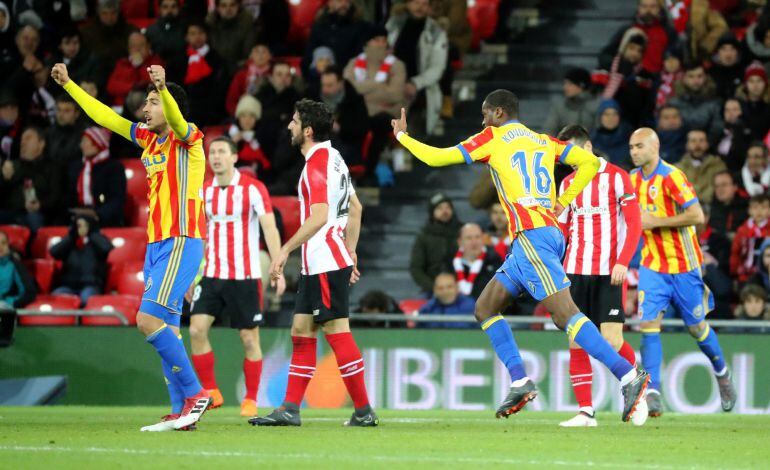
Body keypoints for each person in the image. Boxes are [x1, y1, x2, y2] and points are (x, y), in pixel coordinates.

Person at [393, 89, 649, 423]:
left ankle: (629, 376)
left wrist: (402, 137)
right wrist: (564, 201)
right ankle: (520, 380)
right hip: (540, 237)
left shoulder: (492, 138)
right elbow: (589, 163)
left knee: (565, 315)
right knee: (485, 307)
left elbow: (436, 158)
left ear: (499, 113)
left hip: (532, 238)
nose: (482, 119)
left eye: (485, 113)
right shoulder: (543, 140)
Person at [51, 62, 211, 431]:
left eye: (152, 102)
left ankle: (195, 394)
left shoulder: (190, 139)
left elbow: (176, 117)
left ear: (169, 106)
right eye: (147, 102)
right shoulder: (149, 139)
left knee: (146, 320)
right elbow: (106, 118)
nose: (145, 109)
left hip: (181, 239)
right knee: (167, 329)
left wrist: (164, 90)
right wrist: (71, 86)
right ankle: (180, 413)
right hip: (156, 244)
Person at [250, 99, 378, 427]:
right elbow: (357, 208)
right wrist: (350, 252)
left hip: (322, 260)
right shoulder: (335, 159)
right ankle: (290, 409)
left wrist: (284, 250)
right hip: (324, 260)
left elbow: (320, 215)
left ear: (307, 130)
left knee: (337, 331)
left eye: (294, 122)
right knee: (301, 330)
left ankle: (363, 411)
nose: (289, 127)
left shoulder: (318, 163)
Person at [629, 127, 736, 418]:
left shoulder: (672, 176)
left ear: (655, 146)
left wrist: (656, 222)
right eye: (631, 147)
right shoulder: (631, 181)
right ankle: (652, 392)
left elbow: (697, 215)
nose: (634, 151)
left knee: (697, 328)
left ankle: (722, 373)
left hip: (684, 266)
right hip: (652, 266)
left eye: (640, 146)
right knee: (648, 324)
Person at [189, 136, 285, 418]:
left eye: (221, 152)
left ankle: (251, 399)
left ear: (234, 157)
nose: (215, 157)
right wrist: (192, 275)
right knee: (195, 330)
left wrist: (277, 267)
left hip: (244, 276)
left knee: (249, 339)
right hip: (211, 274)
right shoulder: (204, 191)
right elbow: (199, 236)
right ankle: (211, 391)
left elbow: (269, 228)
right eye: (212, 153)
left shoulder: (253, 189)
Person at [554, 125, 642, 427]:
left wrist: (623, 262)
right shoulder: (567, 183)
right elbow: (562, 229)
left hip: (609, 271)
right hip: (575, 271)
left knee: (611, 340)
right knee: (576, 341)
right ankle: (586, 412)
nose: (571, 162)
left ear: (588, 146)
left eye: (574, 154)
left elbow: (634, 224)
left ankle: (639, 385)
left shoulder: (617, 177)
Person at [343, 24, 407, 181]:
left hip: (385, 115)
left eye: (384, 40)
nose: (381, 44)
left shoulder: (397, 65)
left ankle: (368, 173)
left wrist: (362, 91)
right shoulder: (353, 64)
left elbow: (395, 95)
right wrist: (378, 85)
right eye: (376, 40)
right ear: (366, 43)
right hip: (358, 115)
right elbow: (348, 90)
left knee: (379, 125)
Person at [387, 0, 448, 136]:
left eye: (424, 3)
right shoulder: (393, 25)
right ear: (407, 4)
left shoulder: (436, 32)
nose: (420, 7)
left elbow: (437, 68)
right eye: (416, 2)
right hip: (390, 82)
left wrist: (415, 83)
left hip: (420, 87)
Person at [0, 126, 61, 232]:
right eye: (22, 139)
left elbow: (56, 197)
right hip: (11, 211)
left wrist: (40, 205)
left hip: (37, 213)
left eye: (28, 138)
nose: (23, 142)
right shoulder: (12, 166)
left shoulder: (52, 167)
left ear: (41, 144)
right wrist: (4, 179)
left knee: (34, 219)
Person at [49, 214, 112, 306]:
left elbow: (106, 248)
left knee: (86, 299)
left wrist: (90, 233)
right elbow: (53, 252)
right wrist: (71, 236)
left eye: (85, 225)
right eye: (78, 225)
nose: (81, 228)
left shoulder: (97, 239)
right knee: (56, 298)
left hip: (90, 285)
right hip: (68, 286)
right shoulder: (70, 242)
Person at [409, 192, 462, 294]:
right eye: (439, 208)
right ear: (432, 212)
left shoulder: (462, 232)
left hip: (461, 287)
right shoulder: (424, 236)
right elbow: (416, 268)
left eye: (447, 207)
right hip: (432, 290)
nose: (444, 211)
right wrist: (433, 287)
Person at [318, 66, 370, 168]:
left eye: (329, 85)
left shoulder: (355, 101)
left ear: (341, 83)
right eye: (323, 85)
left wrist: (339, 129)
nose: (325, 89)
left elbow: (362, 130)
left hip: (347, 147)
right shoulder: (314, 98)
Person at [668, 63, 723, 144]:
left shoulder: (715, 103)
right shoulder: (673, 102)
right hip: (678, 147)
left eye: (699, 76)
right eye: (691, 76)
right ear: (684, 78)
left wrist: (704, 144)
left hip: (707, 148)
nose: (696, 80)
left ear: (706, 78)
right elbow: (668, 129)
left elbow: (717, 128)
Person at [106, 32, 164, 106]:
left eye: (141, 45)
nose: (137, 49)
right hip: (120, 107)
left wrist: (140, 65)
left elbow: (154, 84)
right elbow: (111, 86)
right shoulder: (122, 63)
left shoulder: (156, 62)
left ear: (148, 46)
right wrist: (132, 87)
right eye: (133, 46)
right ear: (129, 49)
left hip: (145, 106)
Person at [676, 129, 727, 204]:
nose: (697, 145)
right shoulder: (677, 169)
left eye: (701, 140)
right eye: (693, 141)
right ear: (687, 145)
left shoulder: (718, 166)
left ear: (707, 144)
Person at [543, 67, 598, 136]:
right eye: (565, 84)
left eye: (569, 84)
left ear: (581, 85)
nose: (565, 87)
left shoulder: (597, 105)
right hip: (564, 145)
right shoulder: (559, 107)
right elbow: (549, 131)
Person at [453, 223, 501, 300]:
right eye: (469, 238)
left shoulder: (495, 260)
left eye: (477, 237)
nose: (474, 242)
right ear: (460, 242)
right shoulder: (450, 262)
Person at [729, 194, 770, 283]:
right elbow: (736, 252)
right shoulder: (743, 230)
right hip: (746, 273)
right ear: (749, 210)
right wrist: (735, 273)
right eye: (755, 208)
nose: (759, 211)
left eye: (763, 207)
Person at [225, 43, 273, 117]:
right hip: (243, 115)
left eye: (264, 52)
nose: (260, 55)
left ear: (270, 56)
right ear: (251, 56)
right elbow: (231, 101)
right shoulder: (241, 75)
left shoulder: (275, 73)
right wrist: (238, 116)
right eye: (257, 52)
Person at [590, 99, 632, 168]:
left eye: (615, 114)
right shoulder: (591, 142)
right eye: (607, 114)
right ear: (600, 117)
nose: (611, 118)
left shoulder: (629, 141)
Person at [45, 94, 85, 167]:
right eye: (59, 110)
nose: (61, 114)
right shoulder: (49, 132)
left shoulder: (85, 134)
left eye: (67, 111)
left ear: (77, 114)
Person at [0, 229, 36, 309]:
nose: (0, 247)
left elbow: (29, 292)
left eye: (3, 243)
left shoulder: (15, 264)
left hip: (4, 306)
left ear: (8, 245)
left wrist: (12, 302)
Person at [716, 98, 752, 173]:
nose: (730, 113)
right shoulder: (719, 133)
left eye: (735, 109)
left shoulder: (748, 134)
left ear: (742, 111)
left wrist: (737, 130)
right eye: (727, 110)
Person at [710, 170, 748, 236]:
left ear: (735, 187)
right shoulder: (711, 209)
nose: (720, 189)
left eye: (724, 185)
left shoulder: (747, 207)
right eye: (717, 186)